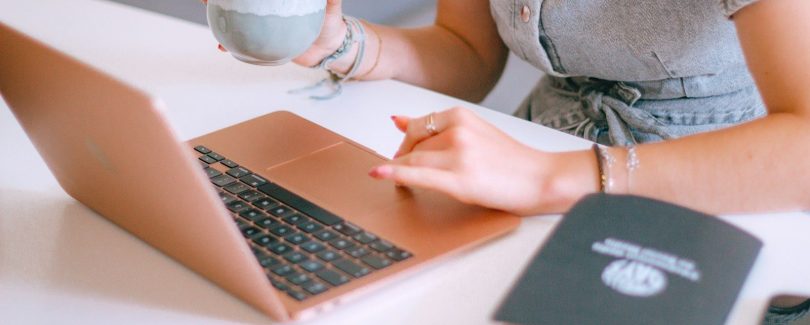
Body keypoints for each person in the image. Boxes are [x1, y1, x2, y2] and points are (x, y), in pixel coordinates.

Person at [206, 0, 810, 321]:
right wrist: (345, 45)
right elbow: (466, 51)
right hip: (545, 148)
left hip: (724, 189)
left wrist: (552, 178)